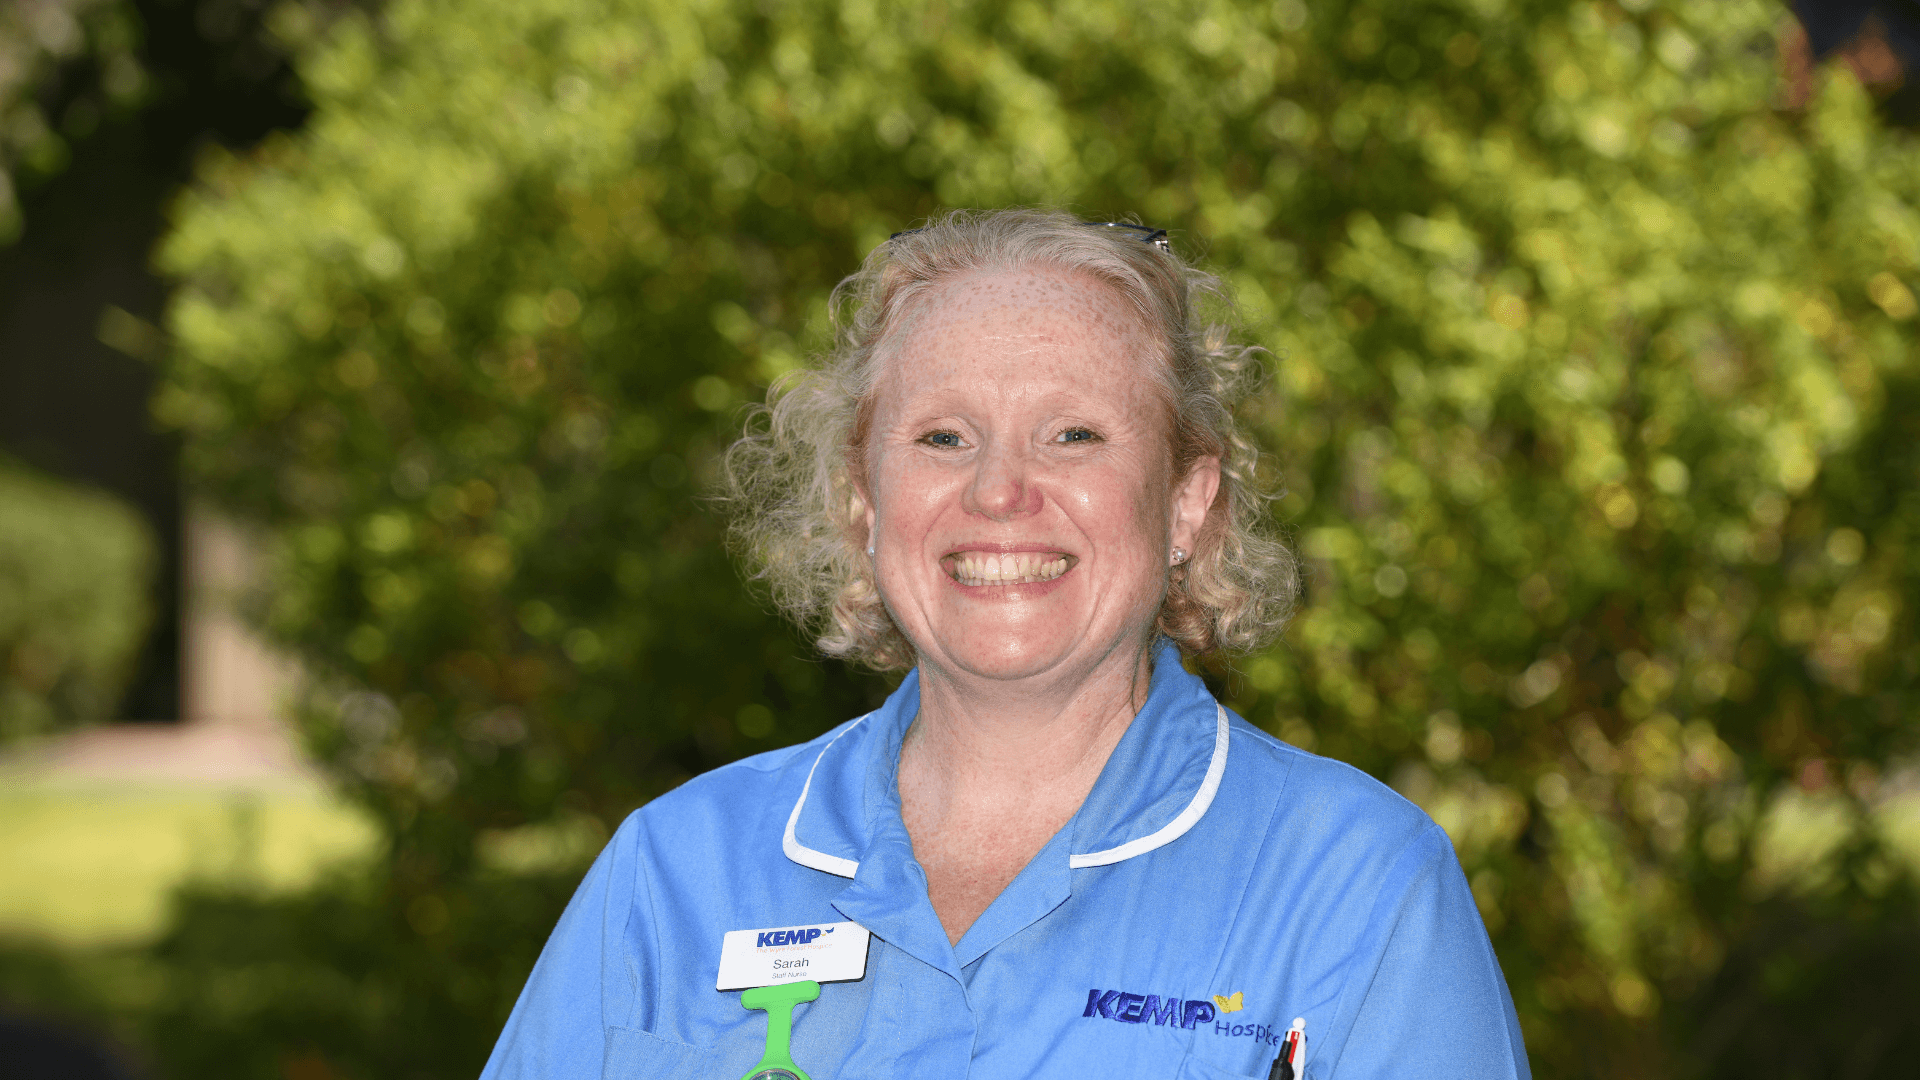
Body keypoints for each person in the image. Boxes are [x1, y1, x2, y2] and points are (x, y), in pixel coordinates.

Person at [479, 209, 1530, 1079]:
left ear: (1185, 503)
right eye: (943, 437)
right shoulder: (674, 872)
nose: (998, 490)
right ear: (862, 501)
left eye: (1074, 434)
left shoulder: (1357, 884)